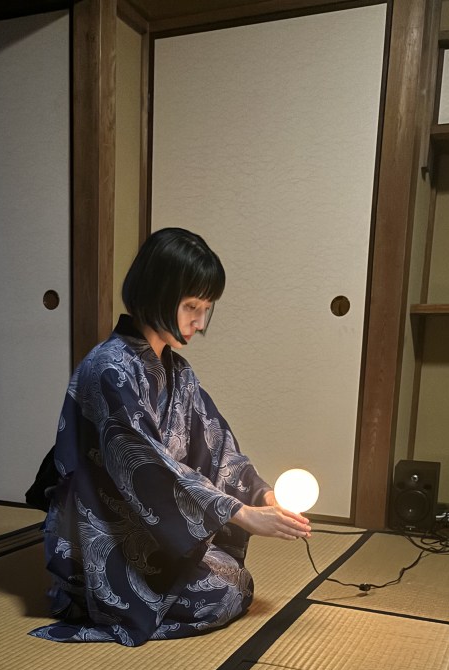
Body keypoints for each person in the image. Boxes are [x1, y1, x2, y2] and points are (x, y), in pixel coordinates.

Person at [30, 227, 311, 646]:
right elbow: (147, 468)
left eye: (206, 309)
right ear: (157, 293)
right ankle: (89, 599)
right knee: (223, 594)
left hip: (150, 527)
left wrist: (264, 496)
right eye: (191, 307)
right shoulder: (109, 369)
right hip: (105, 530)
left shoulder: (179, 372)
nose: (200, 322)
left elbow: (216, 445)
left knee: (235, 582)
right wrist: (239, 512)